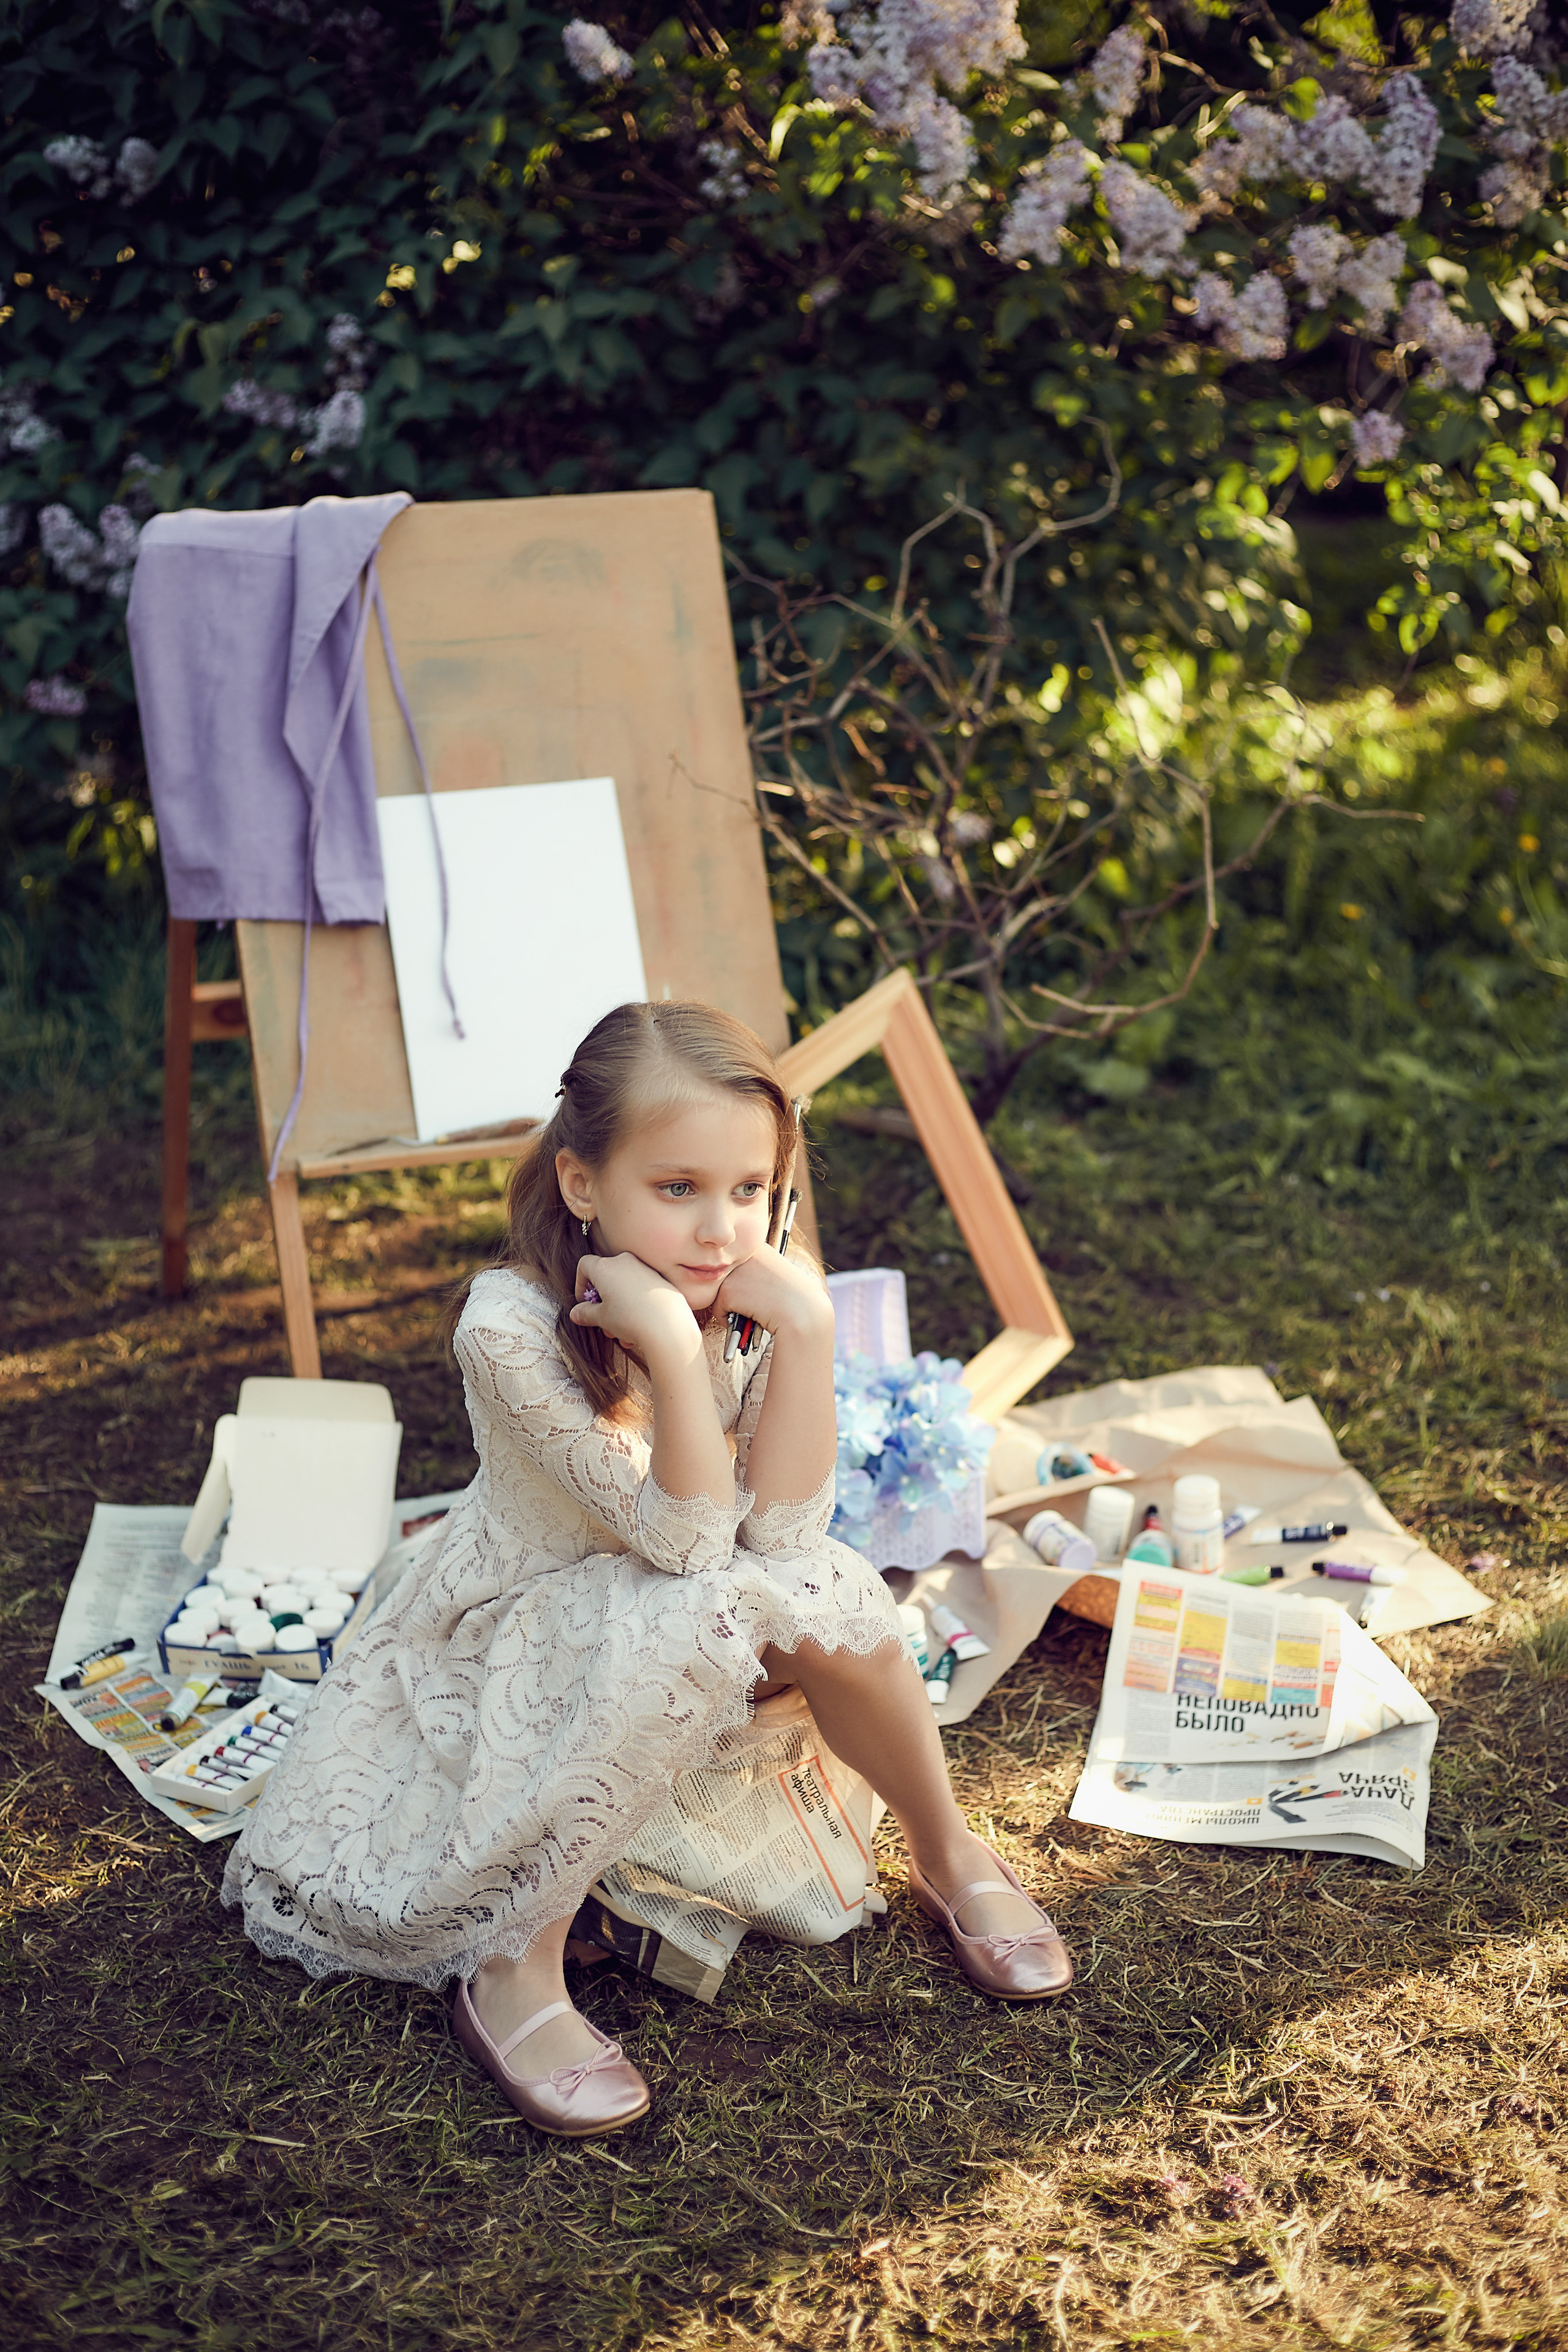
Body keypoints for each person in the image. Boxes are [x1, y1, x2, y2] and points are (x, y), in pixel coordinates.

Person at [223, 1001, 1072, 2137]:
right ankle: (512, 1967)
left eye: (750, 1190)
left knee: (815, 1580)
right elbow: (678, 1542)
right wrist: (675, 1351)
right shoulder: (509, 1327)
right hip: (519, 1623)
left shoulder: (764, 1280)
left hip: (685, 1597)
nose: (722, 1231)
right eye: (677, 1189)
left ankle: (946, 1845)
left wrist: (808, 1334)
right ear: (582, 1183)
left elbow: (780, 1532)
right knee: (696, 1602)